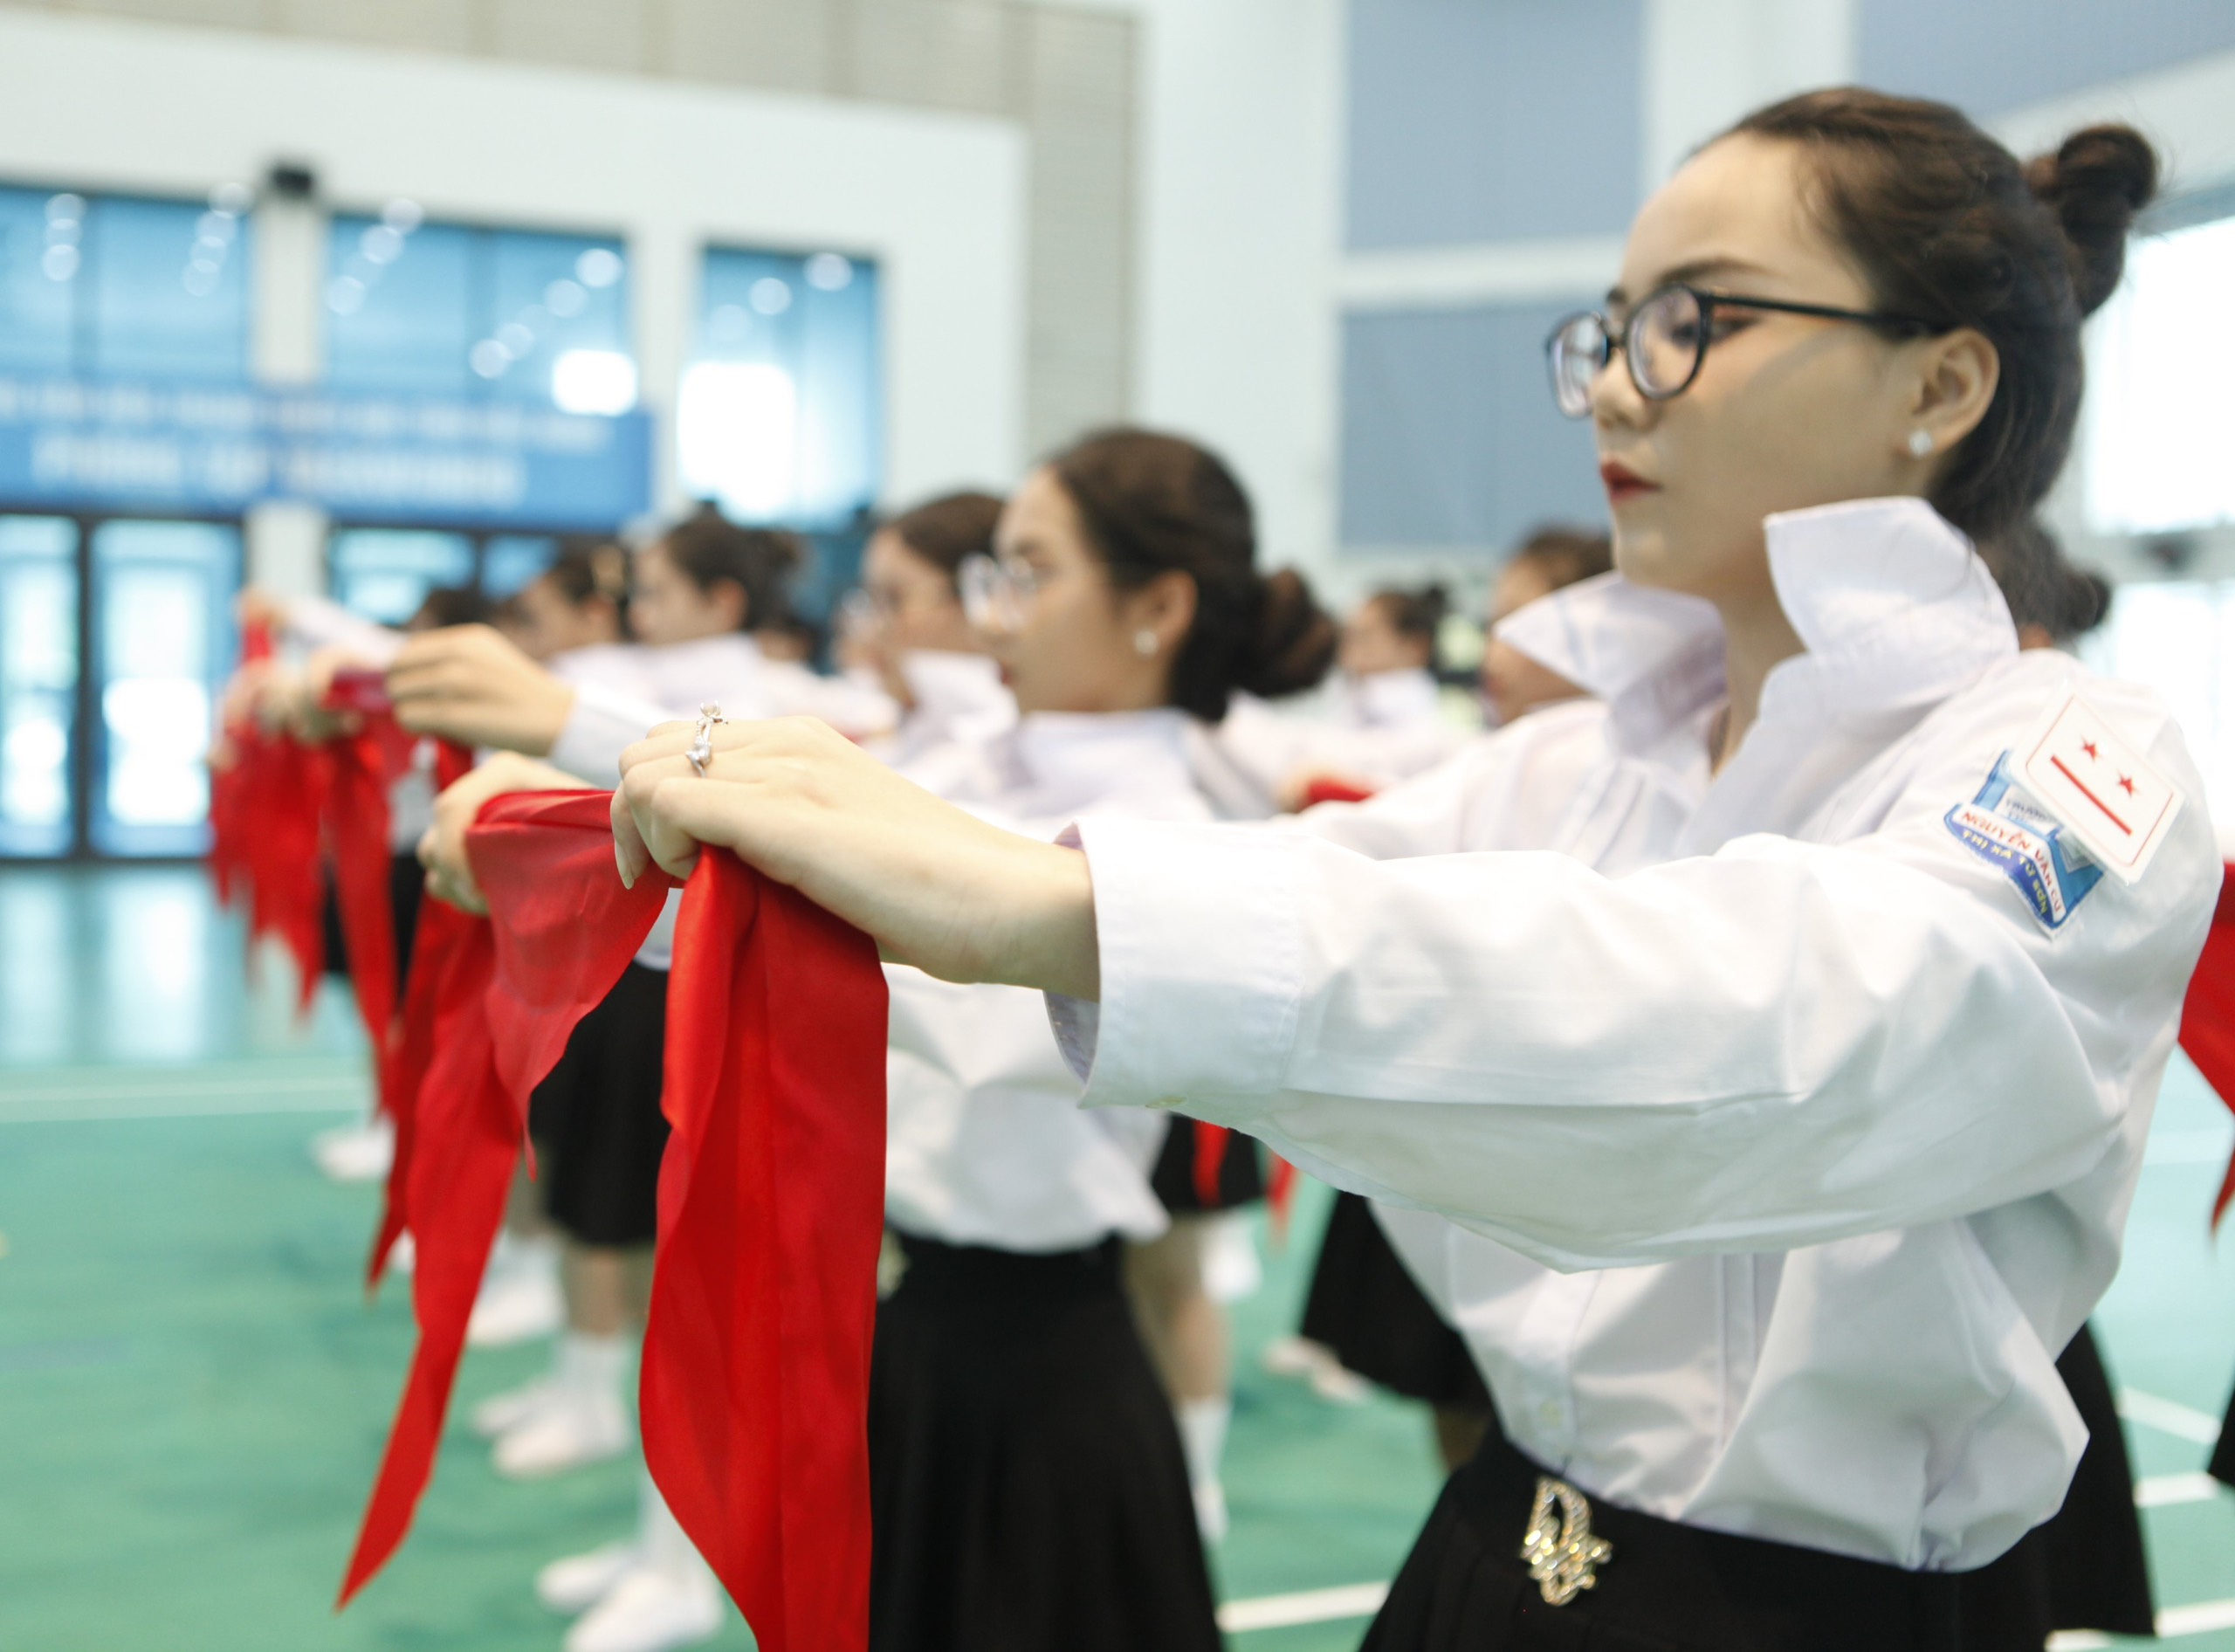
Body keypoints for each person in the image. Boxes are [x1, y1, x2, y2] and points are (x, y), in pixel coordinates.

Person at [610, 90, 2214, 1650]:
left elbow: (1784, 1026)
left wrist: (1058, 907)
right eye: (1611, 331)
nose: (1615, 391)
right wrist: (666, 875)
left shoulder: (2079, 763)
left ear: (1941, 382)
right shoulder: (1574, 764)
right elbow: (1192, 931)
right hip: (1487, 1561)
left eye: (1696, 322)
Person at [867, 428, 1329, 1651]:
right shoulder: (984, 763)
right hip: (921, 1322)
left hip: (1043, 1371)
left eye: (1030, 573)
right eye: (990, 575)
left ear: (1157, 607)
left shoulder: (1160, 840)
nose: (993, 615)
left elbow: (968, 1011)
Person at [1283, 527, 1607, 1472]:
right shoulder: (1481, 762)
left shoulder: (1636, 774)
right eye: (1493, 623)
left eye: (1523, 625)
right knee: (1451, 1393)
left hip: (1547, 1140)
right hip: (1441, 1125)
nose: (1495, 651)